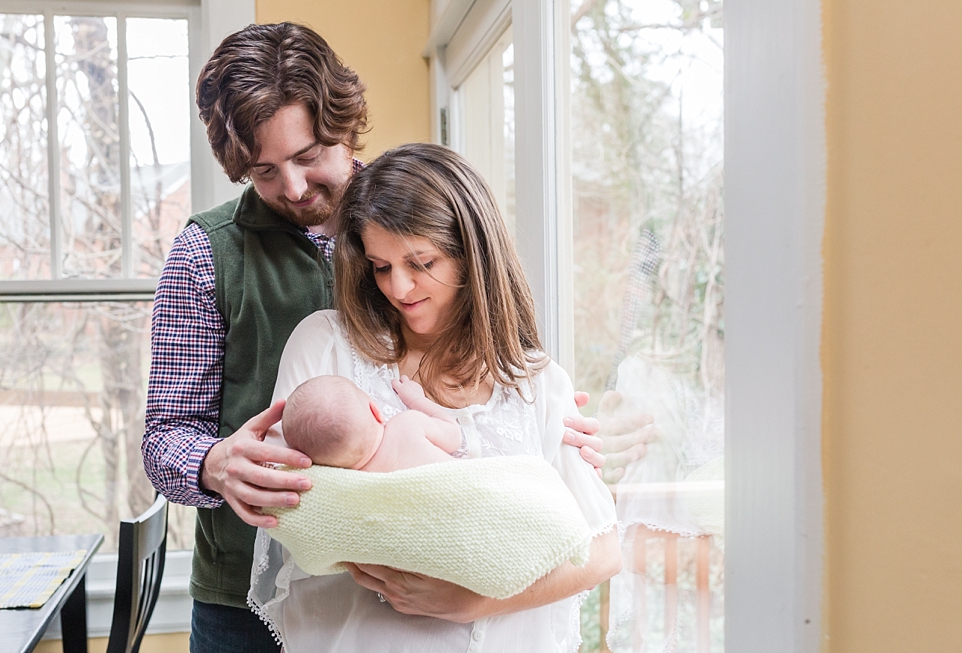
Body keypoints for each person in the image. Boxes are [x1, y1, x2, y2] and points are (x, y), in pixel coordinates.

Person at [140, 22, 610, 652]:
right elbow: (164, 435)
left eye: (308, 157)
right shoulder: (207, 252)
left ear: (344, 125)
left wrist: (556, 437)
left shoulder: (416, 211)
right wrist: (213, 464)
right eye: (265, 171)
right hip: (243, 587)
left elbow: (505, 373)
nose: (295, 188)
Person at [249, 143, 622, 652]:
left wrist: (476, 601)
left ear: (472, 255)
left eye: (420, 262)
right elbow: (285, 503)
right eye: (380, 266)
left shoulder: (535, 383)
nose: (398, 287)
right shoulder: (327, 346)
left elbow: (601, 550)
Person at [281, 374, 461, 471]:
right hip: (470, 493)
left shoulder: (357, 483)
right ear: (375, 411)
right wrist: (415, 399)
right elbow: (454, 436)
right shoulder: (408, 424)